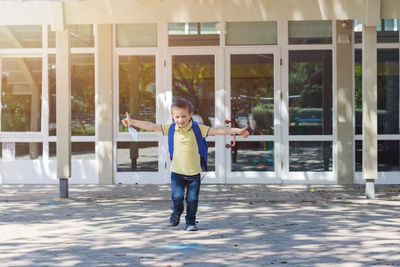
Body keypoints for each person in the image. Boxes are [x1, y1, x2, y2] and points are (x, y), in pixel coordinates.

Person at [122, 98, 249, 231]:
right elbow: (151, 126)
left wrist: (237, 131)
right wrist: (132, 122)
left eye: (184, 116)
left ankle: (191, 222)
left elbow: (217, 130)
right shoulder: (171, 128)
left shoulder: (198, 129)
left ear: (190, 115)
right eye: (177, 117)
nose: (180, 119)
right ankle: (176, 213)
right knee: (177, 197)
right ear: (173, 116)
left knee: (192, 200)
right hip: (177, 172)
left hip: (194, 173)